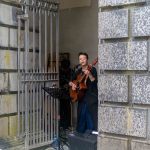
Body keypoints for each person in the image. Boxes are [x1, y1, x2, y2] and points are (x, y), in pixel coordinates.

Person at [69, 52, 98, 133]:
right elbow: (70, 81)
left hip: (91, 98)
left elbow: (94, 81)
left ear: (87, 59)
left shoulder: (92, 69)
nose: (82, 60)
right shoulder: (78, 71)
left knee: (91, 119)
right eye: (80, 59)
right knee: (81, 119)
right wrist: (72, 85)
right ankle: (81, 137)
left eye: (84, 58)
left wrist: (89, 75)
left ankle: (92, 136)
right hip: (81, 97)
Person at [59, 59, 72, 130]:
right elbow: (59, 79)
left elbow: (73, 79)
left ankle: (67, 124)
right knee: (62, 108)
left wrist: (68, 85)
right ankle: (63, 124)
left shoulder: (70, 71)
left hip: (68, 92)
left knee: (67, 108)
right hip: (61, 91)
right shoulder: (60, 71)